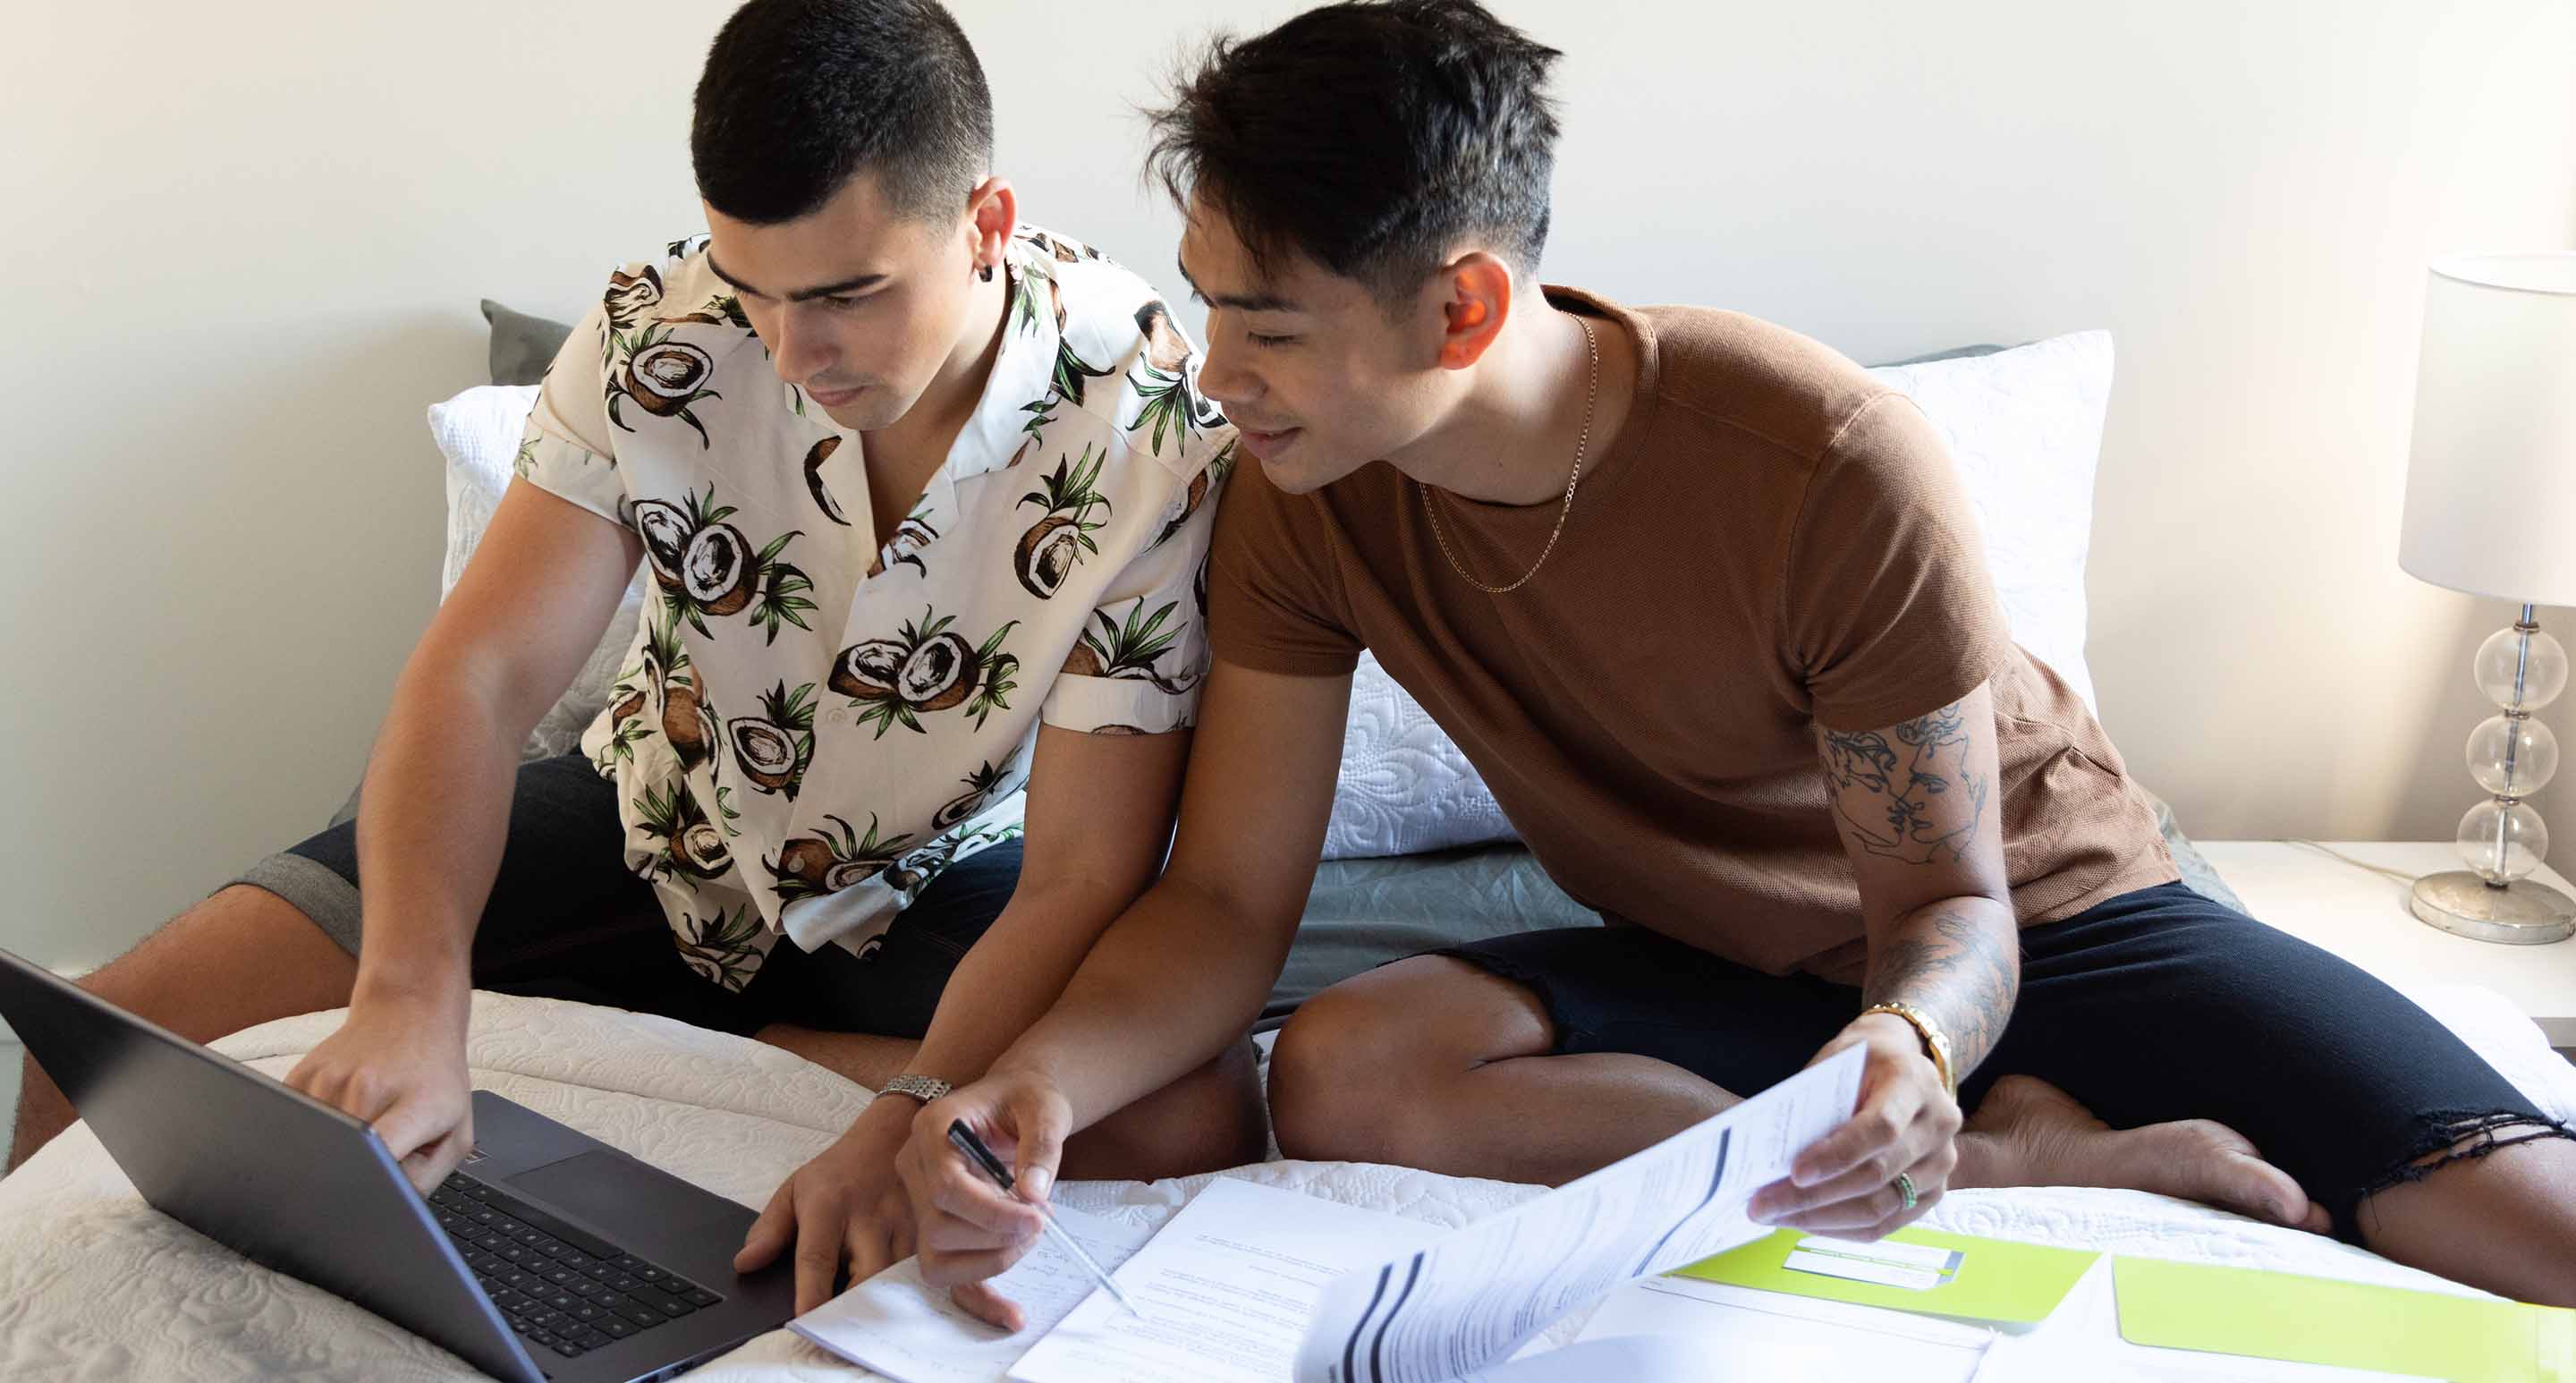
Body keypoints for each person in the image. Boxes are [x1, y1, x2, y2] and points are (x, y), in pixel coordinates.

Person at [896, 0, 2576, 1322]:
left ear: (1464, 309)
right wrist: (1031, 1077)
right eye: (1204, 307)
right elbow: (1222, 908)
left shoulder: (1828, 462)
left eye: (1265, 325)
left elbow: (1949, 910)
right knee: (1342, 1070)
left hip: (2046, 923)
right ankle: (2009, 1161)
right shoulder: (1301, 492)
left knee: (2528, 1231)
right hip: (1716, 956)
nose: (1216, 373)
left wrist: (1908, 1049)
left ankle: (1967, 1118)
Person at [8, 0, 1258, 1315]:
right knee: (104, 1030)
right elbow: (479, 678)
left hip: (936, 883)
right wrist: (408, 993)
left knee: (1195, 1117)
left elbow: (1081, 868)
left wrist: (911, 1103)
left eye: (847, 294)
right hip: (660, 816)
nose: (793, 352)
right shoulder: (658, 329)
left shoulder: (1152, 427)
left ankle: (768, 1045)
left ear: (986, 223)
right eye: (758, 291)